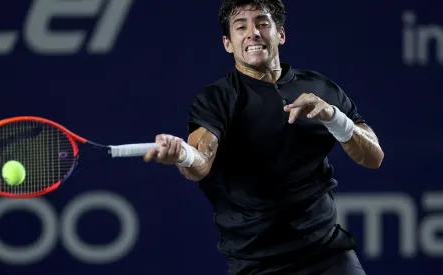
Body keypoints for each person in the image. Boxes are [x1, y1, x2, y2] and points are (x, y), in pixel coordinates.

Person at [144, 0, 384, 274]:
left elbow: (374, 156)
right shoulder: (218, 98)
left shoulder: (320, 88)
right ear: (228, 43)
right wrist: (183, 155)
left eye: (262, 23)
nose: (253, 33)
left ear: (280, 34)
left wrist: (333, 117)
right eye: (241, 26)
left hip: (328, 254)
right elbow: (202, 160)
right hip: (257, 264)